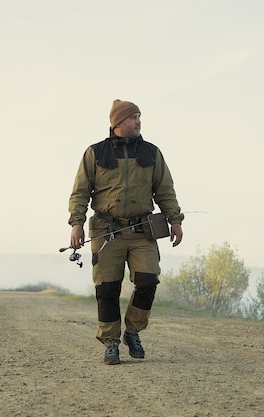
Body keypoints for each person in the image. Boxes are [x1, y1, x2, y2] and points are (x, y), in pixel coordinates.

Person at [68, 99, 184, 365]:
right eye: (134, 117)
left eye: (139, 116)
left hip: (143, 230)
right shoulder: (95, 153)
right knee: (107, 288)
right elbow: (80, 192)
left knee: (148, 281)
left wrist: (175, 220)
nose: (139, 121)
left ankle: (132, 332)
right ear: (118, 122)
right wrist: (76, 223)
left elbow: (165, 189)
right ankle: (111, 343)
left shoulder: (151, 153)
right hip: (106, 231)